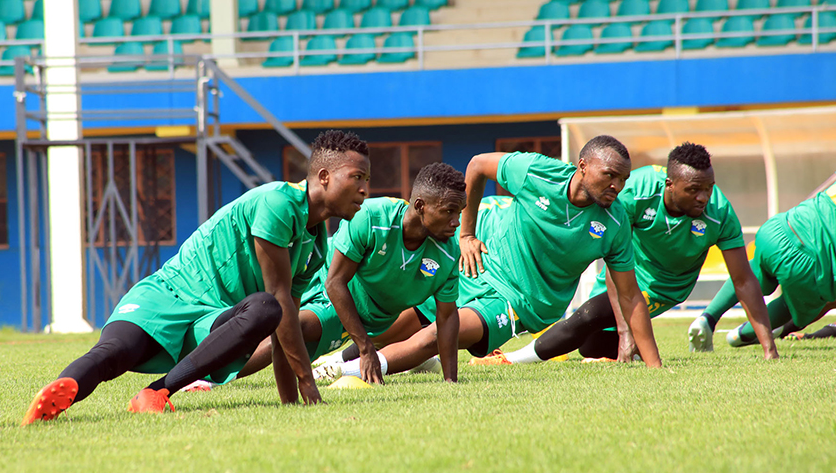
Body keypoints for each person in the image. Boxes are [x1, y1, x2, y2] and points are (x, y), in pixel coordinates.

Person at [21, 130, 370, 425]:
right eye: (357, 178)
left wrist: (294, 403)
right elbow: (279, 295)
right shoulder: (277, 202)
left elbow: (284, 325)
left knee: (266, 310)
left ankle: (157, 392)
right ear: (324, 176)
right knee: (115, 353)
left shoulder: (316, 245)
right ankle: (54, 397)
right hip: (162, 297)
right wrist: (309, 386)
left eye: (366, 180)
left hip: (209, 319)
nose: (365, 190)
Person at [316, 135, 662, 382]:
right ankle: (341, 360)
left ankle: (345, 372)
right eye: (610, 175)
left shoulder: (615, 223)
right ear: (583, 166)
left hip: (521, 299)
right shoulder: (538, 172)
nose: (617, 185)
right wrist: (466, 234)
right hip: (479, 263)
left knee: (439, 333)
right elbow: (478, 165)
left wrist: (655, 367)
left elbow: (630, 296)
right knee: (406, 321)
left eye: (623, 179)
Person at [471, 143, 778, 366]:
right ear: (669, 185)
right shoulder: (636, 190)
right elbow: (614, 251)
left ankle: (510, 360)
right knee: (591, 334)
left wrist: (769, 349)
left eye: (709, 187)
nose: (704, 197)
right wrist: (624, 329)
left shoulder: (718, 213)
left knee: (590, 325)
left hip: (662, 287)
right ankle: (521, 357)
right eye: (694, 189)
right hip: (624, 274)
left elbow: (744, 280)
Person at [231, 162, 466, 387]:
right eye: (449, 212)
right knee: (280, 326)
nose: (456, 222)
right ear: (420, 205)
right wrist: (365, 349)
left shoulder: (448, 253)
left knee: (291, 330)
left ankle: (207, 373)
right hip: (322, 279)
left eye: (459, 212)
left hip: (354, 311)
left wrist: (451, 381)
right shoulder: (374, 218)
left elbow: (446, 317)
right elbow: (335, 282)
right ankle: (207, 375)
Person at [689, 173, 836, 350]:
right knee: (795, 305)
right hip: (809, 261)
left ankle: (707, 317)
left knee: (749, 272)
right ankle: (741, 335)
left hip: (780, 228)